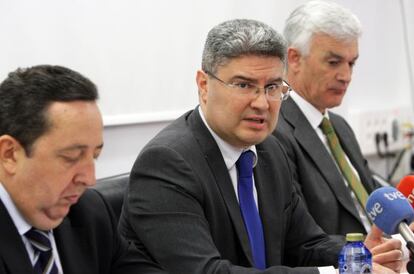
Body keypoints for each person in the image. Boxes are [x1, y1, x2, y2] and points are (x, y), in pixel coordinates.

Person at [119, 19, 401, 273]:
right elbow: (209, 272)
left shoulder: (268, 150)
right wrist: (336, 273)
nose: (262, 103)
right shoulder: (167, 163)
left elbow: (304, 243)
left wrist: (360, 256)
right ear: (204, 85)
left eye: (273, 87)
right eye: (243, 85)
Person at [0, 65, 167, 274]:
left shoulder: (89, 212)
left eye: (95, 156)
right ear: (10, 154)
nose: (90, 179)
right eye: (71, 157)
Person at [273, 0, 379, 236]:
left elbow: (373, 204)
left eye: (351, 63)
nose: (346, 76)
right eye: (333, 62)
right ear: (294, 58)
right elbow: (299, 238)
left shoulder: (339, 127)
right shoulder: (273, 130)